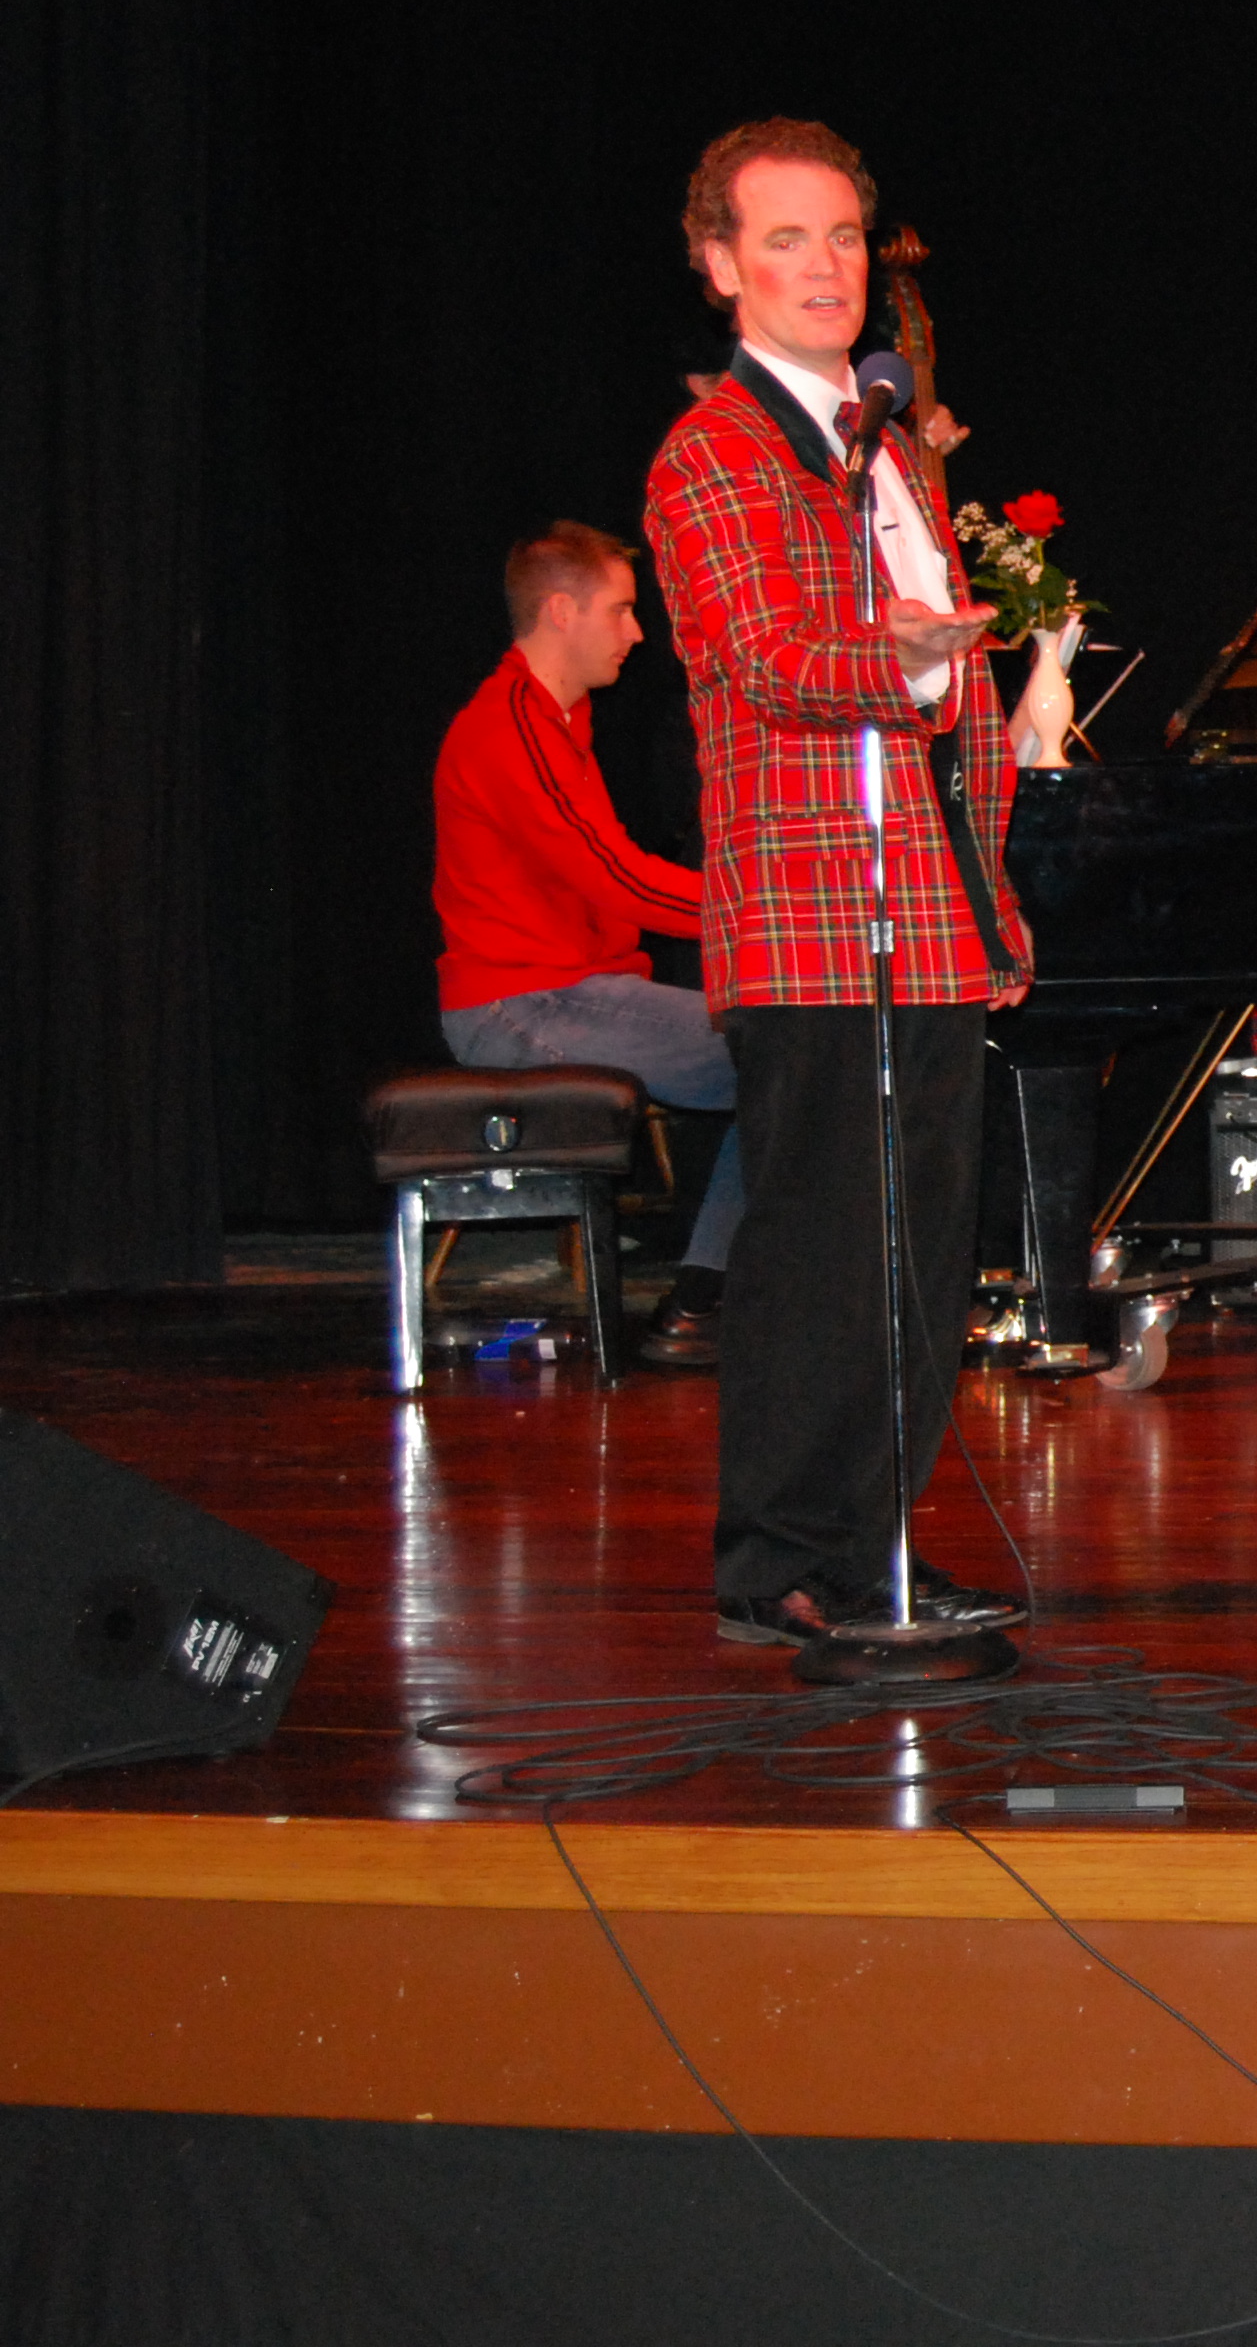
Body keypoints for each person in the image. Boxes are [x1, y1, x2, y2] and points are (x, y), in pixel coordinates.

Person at [643, 117, 1030, 1650]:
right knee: (817, 1252)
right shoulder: (714, 454)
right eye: (786, 239)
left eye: (845, 238)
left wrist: (990, 899)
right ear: (721, 266)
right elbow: (766, 654)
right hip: (812, 915)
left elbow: (963, 718)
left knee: (919, 1253)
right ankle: (780, 1561)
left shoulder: (894, 452)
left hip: (925, 908)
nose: (827, 267)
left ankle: (876, 1551)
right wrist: (899, 655)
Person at [432, 520, 744, 1369]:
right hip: (522, 1004)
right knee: (794, 1049)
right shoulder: (511, 727)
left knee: (797, 1048)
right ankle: (706, 1303)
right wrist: (757, 912)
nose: (637, 633)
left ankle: (714, 1294)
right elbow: (619, 880)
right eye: (622, 610)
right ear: (561, 611)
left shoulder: (556, 718)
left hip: (565, 991)